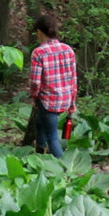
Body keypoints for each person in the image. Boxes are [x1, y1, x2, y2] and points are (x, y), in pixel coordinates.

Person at [26, 12, 77, 157]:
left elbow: (35, 82)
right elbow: (73, 79)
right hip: (65, 99)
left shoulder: (39, 53)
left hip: (48, 101)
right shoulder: (68, 50)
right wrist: (72, 102)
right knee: (39, 121)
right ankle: (40, 151)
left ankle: (64, 170)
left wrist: (35, 97)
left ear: (39, 32)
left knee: (52, 137)